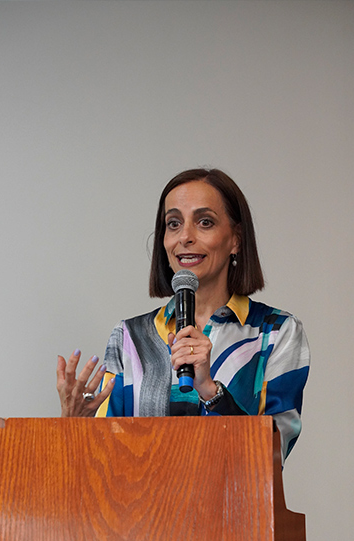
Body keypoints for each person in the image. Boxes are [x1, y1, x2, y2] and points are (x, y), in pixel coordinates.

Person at [57, 168, 310, 461]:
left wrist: (210, 391)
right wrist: (74, 423)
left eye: (205, 222)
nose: (185, 237)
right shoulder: (130, 337)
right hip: (143, 495)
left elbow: (272, 455)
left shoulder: (276, 332)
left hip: (232, 494)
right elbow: (102, 464)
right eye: (174, 224)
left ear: (236, 239)